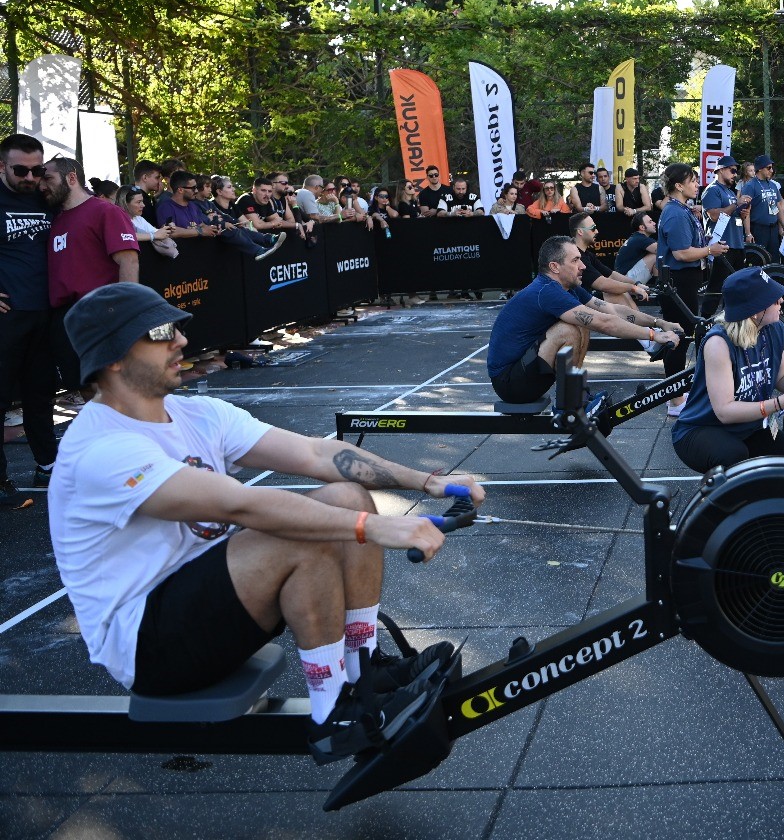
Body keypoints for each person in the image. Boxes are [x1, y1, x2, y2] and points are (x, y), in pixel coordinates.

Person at [50, 282, 482, 762]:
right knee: (300, 535)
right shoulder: (100, 449)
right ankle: (333, 714)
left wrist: (426, 482)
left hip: (214, 602)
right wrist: (377, 527)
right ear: (112, 357)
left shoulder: (197, 415)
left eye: (176, 328)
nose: (181, 341)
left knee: (345, 494)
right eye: (160, 332)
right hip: (149, 646)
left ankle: (363, 670)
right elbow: (241, 507)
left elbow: (317, 453)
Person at [487, 236, 680, 405]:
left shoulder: (568, 287)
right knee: (569, 328)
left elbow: (612, 310)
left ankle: (576, 395)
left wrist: (659, 323)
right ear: (554, 267)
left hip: (527, 370)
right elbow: (605, 323)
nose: (583, 266)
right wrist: (654, 336)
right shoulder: (547, 291)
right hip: (510, 382)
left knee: (582, 322)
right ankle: (571, 402)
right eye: (576, 260)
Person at [671, 267, 784, 473]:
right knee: (734, 456)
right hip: (701, 430)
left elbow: (783, 377)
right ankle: (715, 500)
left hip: (748, 428)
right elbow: (724, 412)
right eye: (774, 299)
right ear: (756, 309)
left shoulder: (776, 329)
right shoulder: (718, 343)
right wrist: (779, 403)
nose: (782, 302)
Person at [40, 156, 141, 394]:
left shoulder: (105, 211)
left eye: (48, 179)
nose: (41, 185)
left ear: (71, 178)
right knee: (83, 386)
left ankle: (126, 431)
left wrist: (123, 312)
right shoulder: (56, 219)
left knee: (110, 388)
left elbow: (128, 260)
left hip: (100, 311)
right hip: (64, 317)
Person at [0, 134, 57, 508]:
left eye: (37, 170)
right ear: (1, 166)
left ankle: (48, 465)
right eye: (21, 170)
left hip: (45, 312)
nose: (30, 177)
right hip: (8, 317)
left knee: (41, 394)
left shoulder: (45, 197)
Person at [657, 163, 729, 412]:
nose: (697, 184)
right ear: (678, 185)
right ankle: (675, 399)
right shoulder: (675, 213)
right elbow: (681, 253)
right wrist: (710, 250)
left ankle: (678, 395)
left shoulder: (682, 209)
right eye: (692, 180)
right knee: (678, 337)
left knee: (683, 335)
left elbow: (689, 245)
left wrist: (707, 243)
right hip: (679, 281)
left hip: (685, 280)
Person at [570, 213, 650, 312]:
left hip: (584, 302)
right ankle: (641, 326)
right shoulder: (576, 255)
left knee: (619, 289)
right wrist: (633, 288)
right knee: (612, 291)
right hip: (574, 307)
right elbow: (602, 284)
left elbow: (611, 274)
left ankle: (643, 326)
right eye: (593, 228)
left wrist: (637, 284)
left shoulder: (587, 254)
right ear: (580, 231)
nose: (597, 231)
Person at [700, 155, 750, 301]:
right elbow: (714, 215)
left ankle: (732, 319)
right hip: (721, 246)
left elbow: (733, 216)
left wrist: (743, 213)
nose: (735, 175)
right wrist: (736, 205)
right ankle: (705, 319)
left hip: (736, 244)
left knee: (737, 287)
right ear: (721, 170)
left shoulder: (730, 192)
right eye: (732, 170)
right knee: (716, 288)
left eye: (736, 172)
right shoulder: (712, 190)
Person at [741, 154, 784, 261]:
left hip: (773, 229)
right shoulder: (750, 186)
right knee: (759, 260)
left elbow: (777, 206)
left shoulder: (772, 185)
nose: (771, 170)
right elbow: (746, 211)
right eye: (768, 168)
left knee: (774, 259)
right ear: (760, 169)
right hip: (759, 229)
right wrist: (748, 233)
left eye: (772, 168)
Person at [117, 185, 179, 259]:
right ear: (125, 203)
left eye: (142, 201)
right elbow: (126, 235)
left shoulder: (139, 219)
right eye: (138, 202)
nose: (143, 205)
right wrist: (153, 236)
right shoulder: (118, 220)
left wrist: (166, 229)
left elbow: (156, 233)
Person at [613, 212, 658, 286]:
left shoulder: (637, 237)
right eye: (650, 222)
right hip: (626, 280)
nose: (654, 223)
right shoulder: (640, 239)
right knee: (656, 256)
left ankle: (659, 285)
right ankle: (660, 287)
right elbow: (662, 250)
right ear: (642, 227)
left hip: (623, 278)